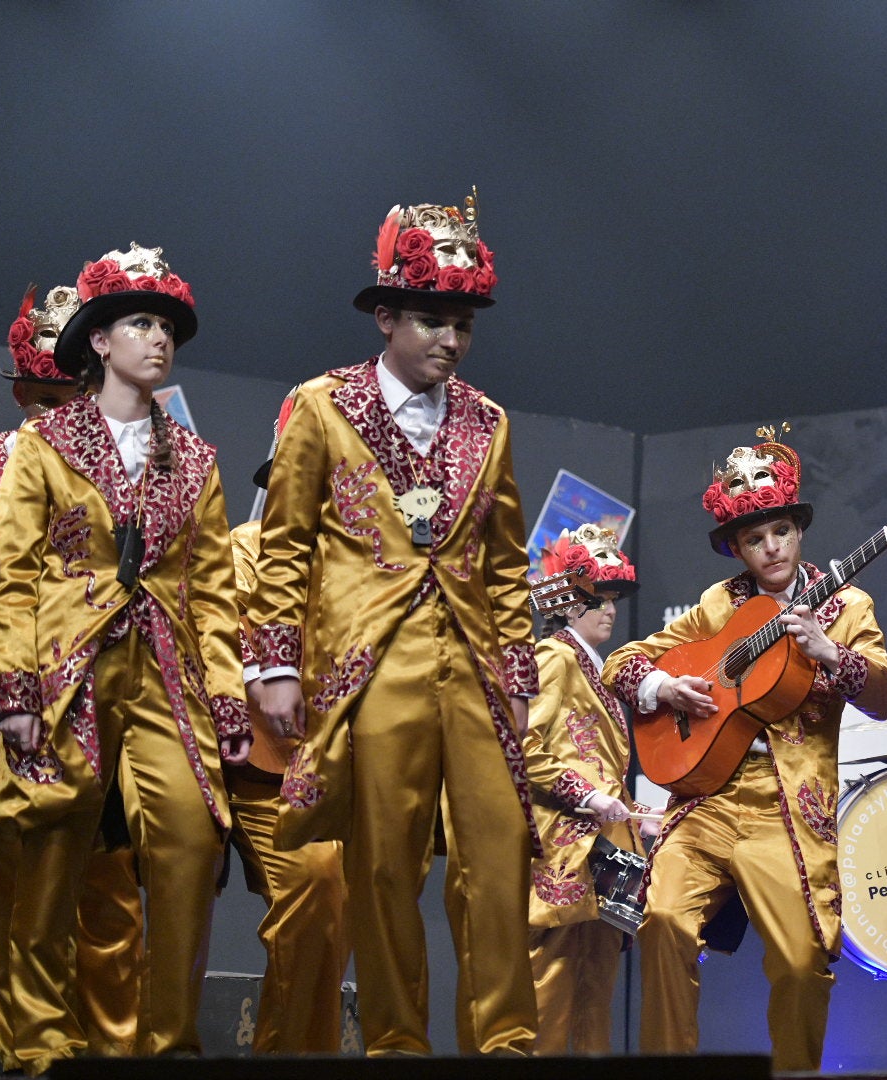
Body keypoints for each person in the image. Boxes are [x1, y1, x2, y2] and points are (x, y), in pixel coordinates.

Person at [250, 193, 541, 1056]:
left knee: (498, 858)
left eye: (462, 324)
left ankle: (507, 1043)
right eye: (429, 320)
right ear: (385, 317)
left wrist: (520, 678)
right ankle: (395, 1045)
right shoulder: (322, 405)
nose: (449, 340)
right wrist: (273, 665)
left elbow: (508, 561)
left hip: (477, 663)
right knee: (383, 867)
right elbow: (285, 544)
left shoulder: (489, 422)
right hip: (372, 664)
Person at [0, 244, 250, 1073]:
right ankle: (36, 1047)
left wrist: (229, 698)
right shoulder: (45, 443)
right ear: (99, 340)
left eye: (167, 325)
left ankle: (168, 1043)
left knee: (190, 839)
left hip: (164, 667)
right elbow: (13, 573)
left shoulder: (195, 460)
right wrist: (15, 689)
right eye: (139, 322)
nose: (158, 338)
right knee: (51, 840)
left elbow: (210, 590)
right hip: (63, 661)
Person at [602, 429, 887, 1071]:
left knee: (801, 961)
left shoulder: (849, 606)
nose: (769, 548)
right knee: (663, 925)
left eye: (780, 533)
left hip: (786, 812)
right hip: (709, 802)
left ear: (799, 531)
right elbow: (624, 662)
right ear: (736, 547)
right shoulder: (719, 604)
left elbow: (885, 698)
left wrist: (831, 654)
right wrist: (665, 686)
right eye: (752, 539)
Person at [0, 283, 148, 1068]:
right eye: (35, 396)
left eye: (62, 392)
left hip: (108, 691)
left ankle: (116, 1048)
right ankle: (36, 1053)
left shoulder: (142, 459)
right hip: (7, 693)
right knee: (23, 881)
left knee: (110, 881)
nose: (49, 409)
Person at [226, 391, 350, 1054]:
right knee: (313, 891)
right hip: (268, 767)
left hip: (334, 772)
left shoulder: (354, 571)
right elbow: (227, 640)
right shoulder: (244, 548)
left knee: (333, 924)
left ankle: (309, 1059)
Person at [523, 524, 649, 1054]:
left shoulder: (591, 666)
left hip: (605, 849)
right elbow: (525, 744)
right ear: (569, 602)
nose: (611, 608)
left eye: (614, 597)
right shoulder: (554, 657)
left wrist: (626, 810)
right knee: (553, 986)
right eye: (599, 597)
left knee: (595, 991)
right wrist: (590, 797)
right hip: (567, 847)